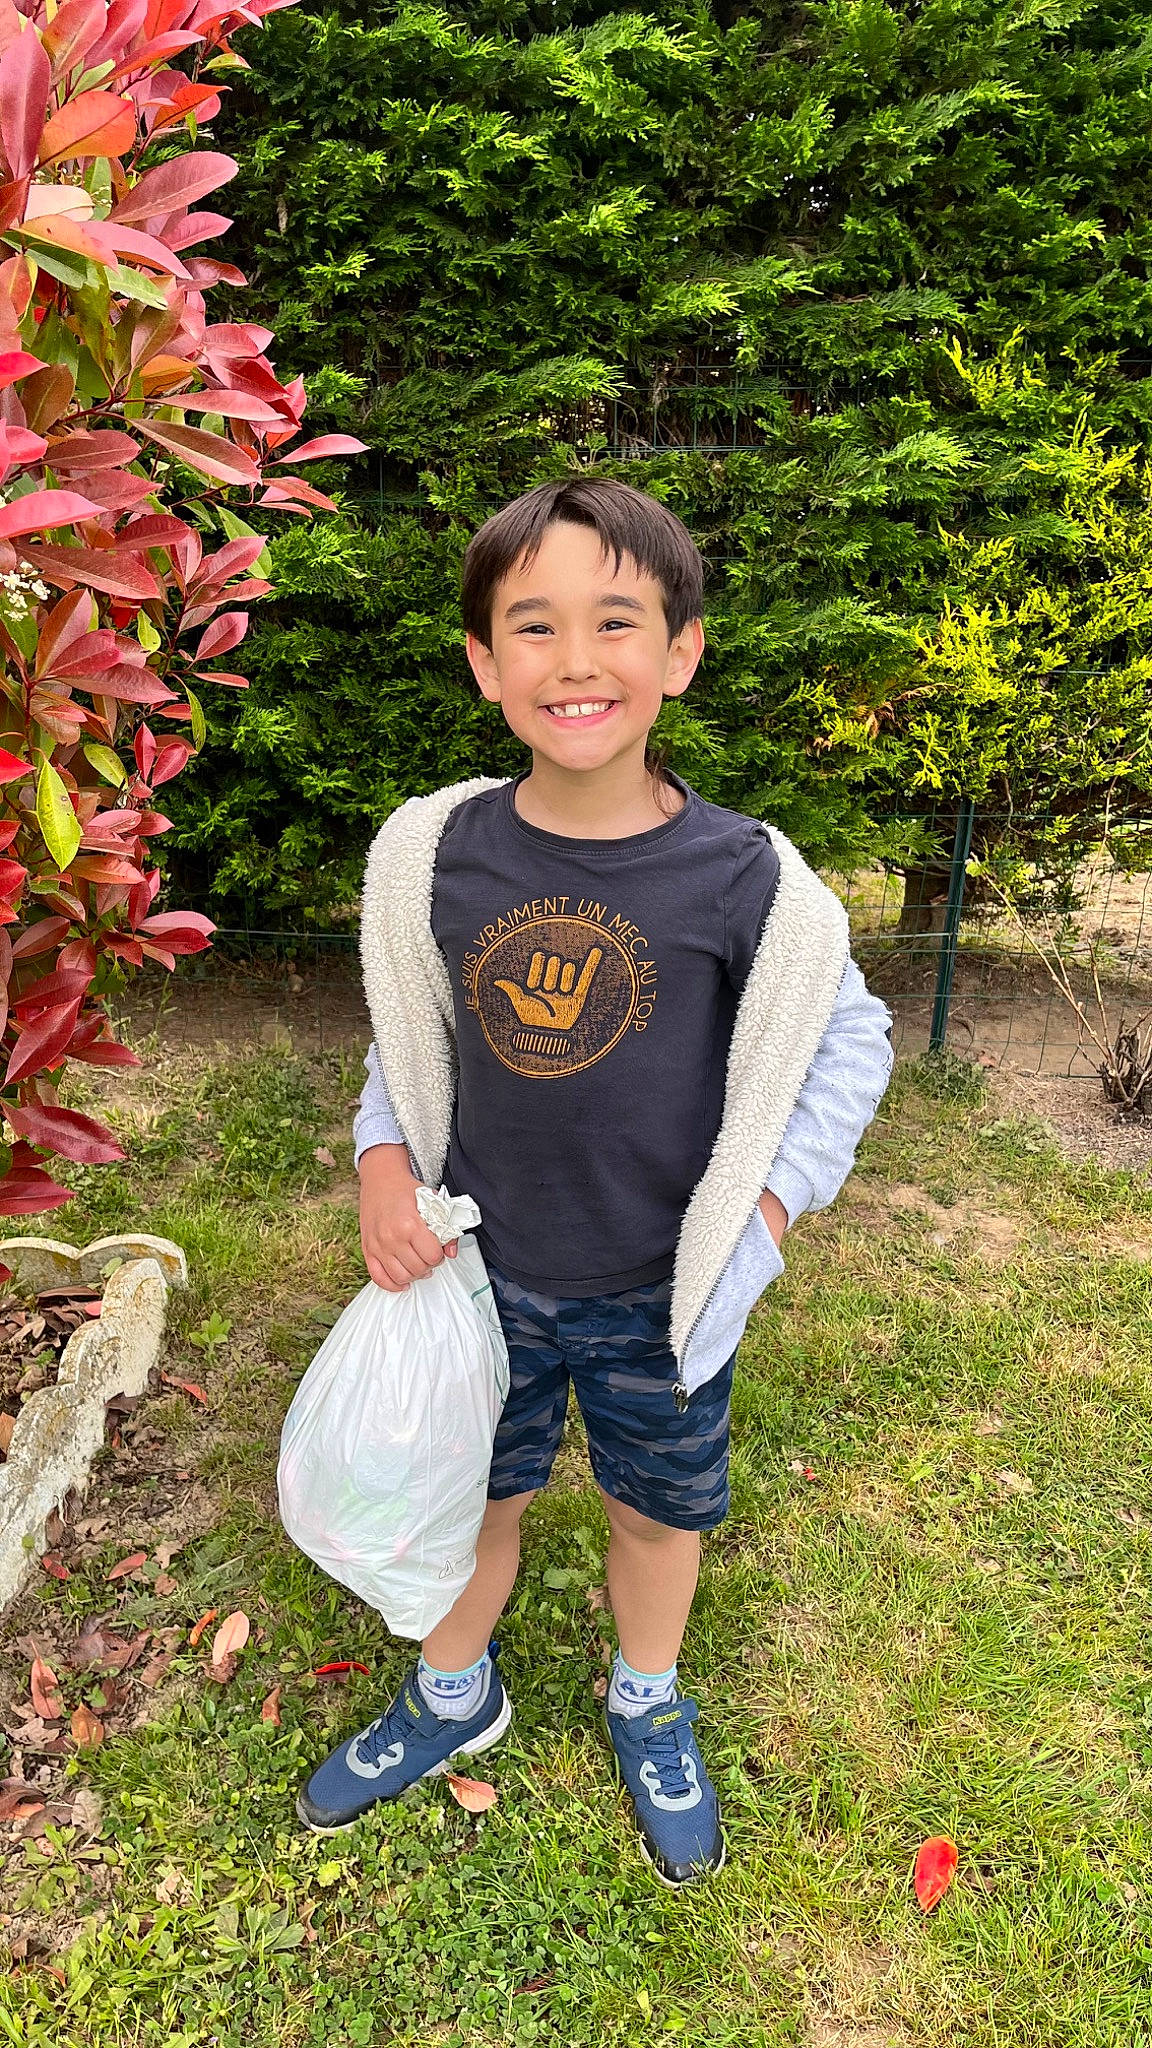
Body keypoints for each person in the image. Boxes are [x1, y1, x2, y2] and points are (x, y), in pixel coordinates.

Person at [296, 477, 894, 1884]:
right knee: (467, 1499)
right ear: (484, 662)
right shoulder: (434, 857)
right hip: (478, 1280)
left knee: (653, 1511)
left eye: (616, 622)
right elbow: (411, 1034)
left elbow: (846, 1041)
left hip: (656, 1293)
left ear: (681, 651)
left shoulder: (747, 880)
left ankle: (649, 1697)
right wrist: (384, 1160)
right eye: (535, 626)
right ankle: (455, 1695)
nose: (576, 662)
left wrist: (763, 1209)